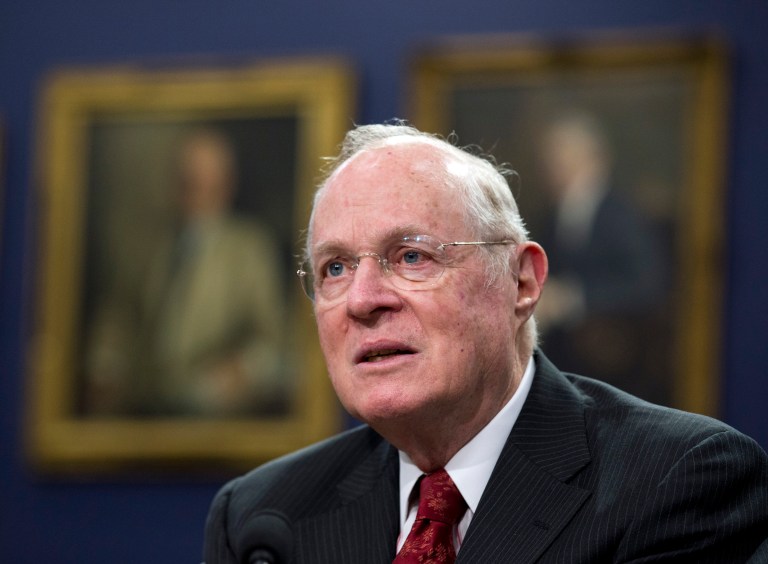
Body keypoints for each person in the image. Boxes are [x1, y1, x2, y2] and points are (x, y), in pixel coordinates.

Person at [203, 122, 768, 563]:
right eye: (334, 268)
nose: (361, 299)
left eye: (411, 256)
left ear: (522, 283)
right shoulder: (260, 516)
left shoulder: (678, 483)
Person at [86, 128, 287, 416]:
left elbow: (274, 340)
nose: (194, 185)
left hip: (213, 412)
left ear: (226, 182)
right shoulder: (149, 244)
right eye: (187, 175)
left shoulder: (249, 248)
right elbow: (118, 316)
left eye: (205, 177)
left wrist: (242, 370)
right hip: (141, 407)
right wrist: (105, 367)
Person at [533, 111, 669, 402]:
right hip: (567, 364)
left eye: (562, 157)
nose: (552, 168)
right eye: (551, 159)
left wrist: (572, 299)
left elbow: (646, 285)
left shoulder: (621, 215)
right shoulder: (552, 216)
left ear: (593, 157)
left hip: (616, 363)